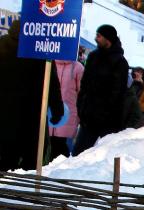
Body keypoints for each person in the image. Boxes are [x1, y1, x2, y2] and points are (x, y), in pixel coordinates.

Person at [0, 20, 63, 171]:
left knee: (5, 157)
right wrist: (57, 109)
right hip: (31, 114)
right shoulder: (39, 48)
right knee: (30, 162)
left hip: (4, 113)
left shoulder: (2, 44)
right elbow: (51, 83)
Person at [73, 24, 129, 155]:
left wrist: (107, 113)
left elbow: (118, 93)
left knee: (105, 158)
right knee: (78, 156)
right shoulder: (93, 57)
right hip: (89, 118)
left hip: (109, 121)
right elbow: (85, 84)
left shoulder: (120, 61)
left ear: (107, 39)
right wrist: (81, 107)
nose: (95, 38)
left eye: (99, 36)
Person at [49, 59, 84, 159]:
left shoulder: (77, 67)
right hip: (49, 115)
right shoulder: (49, 63)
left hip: (68, 117)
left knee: (62, 151)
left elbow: (82, 94)